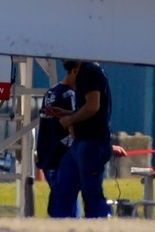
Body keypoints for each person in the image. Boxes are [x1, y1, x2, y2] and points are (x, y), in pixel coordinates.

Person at [45, 58, 113, 219]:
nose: (62, 59)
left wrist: (70, 119)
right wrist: (66, 113)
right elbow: (89, 108)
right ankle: (61, 226)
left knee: (91, 192)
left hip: (92, 142)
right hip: (82, 143)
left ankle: (99, 227)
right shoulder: (87, 71)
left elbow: (92, 106)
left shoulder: (89, 71)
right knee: (63, 189)